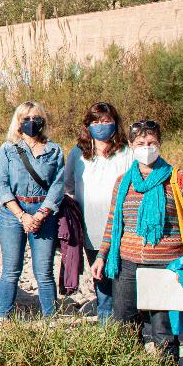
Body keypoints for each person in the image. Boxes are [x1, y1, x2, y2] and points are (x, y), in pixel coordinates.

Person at [93, 120, 183, 364]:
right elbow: (114, 222)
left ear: (160, 144)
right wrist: (102, 255)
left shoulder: (178, 180)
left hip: (165, 266)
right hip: (126, 265)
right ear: (130, 146)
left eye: (152, 143)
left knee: (163, 330)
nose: (147, 148)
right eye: (140, 143)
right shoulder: (123, 182)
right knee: (125, 325)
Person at [0, 101, 65, 319]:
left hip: (43, 211)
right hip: (13, 212)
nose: (31, 122)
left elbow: (58, 184)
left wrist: (41, 213)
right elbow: (2, 185)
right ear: (18, 122)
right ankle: (3, 318)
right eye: (26, 119)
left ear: (43, 120)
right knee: (10, 270)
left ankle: (50, 319)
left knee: (44, 272)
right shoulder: (8, 149)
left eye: (36, 118)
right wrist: (22, 215)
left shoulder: (54, 150)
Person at [63, 101, 132, 321]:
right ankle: (106, 329)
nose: (101, 125)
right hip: (91, 230)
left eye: (106, 121)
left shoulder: (127, 153)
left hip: (123, 230)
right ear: (88, 125)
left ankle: (128, 330)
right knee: (102, 284)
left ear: (115, 123)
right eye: (96, 121)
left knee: (124, 282)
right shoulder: (78, 153)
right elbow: (69, 185)